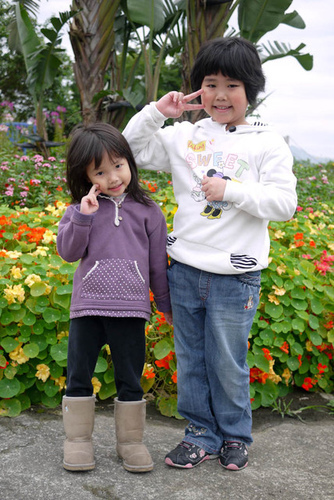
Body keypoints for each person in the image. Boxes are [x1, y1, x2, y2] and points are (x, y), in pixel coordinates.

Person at [123, 37, 297, 471]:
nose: (221, 95)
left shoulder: (267, 142)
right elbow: (130, 152)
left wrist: (232, 192)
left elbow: (285, 205)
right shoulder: (184, 135)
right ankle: (200, 434)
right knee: (192, 360)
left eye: (233, 85)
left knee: (228, 362)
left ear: (250, 91)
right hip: (183, 268)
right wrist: (158, 113)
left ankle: (235, 436)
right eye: (211, 83)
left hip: (236, 275)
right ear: (198, 88)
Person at [57, 123, 172, 473]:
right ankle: (77, 441)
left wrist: (166, 308)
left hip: (131, 310)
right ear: (86, 176)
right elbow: (68, 252)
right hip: (88, 308)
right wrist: (83, 217)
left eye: (118, 165)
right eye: (100, 172)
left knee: (130, 378)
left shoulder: (149, 211)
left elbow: (157, 266)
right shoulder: (80, 209)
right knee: (78, 374)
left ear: (130, 163)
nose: (113, 177)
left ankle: (131, 442)